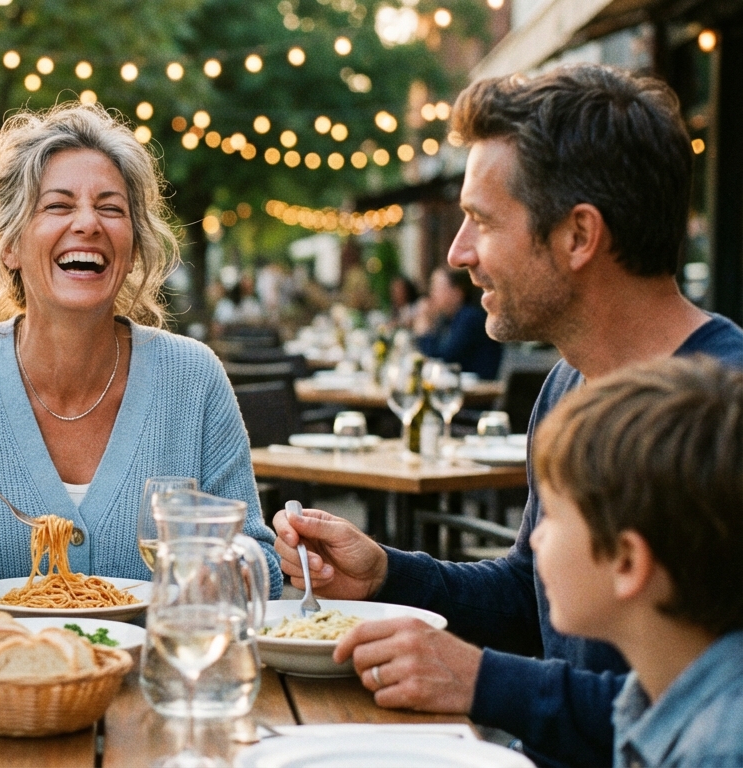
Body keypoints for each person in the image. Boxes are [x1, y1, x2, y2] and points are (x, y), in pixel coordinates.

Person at [273, 64, 743, 767]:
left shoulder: (723, 413)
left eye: (482, 222)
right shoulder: (567, 387)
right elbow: (534, 599)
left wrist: (480, 681)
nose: (459, 255)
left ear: (579, 235)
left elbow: (704, 713)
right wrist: (386, 577)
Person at [0, 102, 282, 596]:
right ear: (9, 245)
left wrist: (218, 569)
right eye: (58, 205)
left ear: (133, 247)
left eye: (111, 208)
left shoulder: (193, 378)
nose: (89, 223)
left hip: (147, 671)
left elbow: (260, 561)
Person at [527, 357, 743, 767]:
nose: (535, 537)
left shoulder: (719, 750)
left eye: (552, 516)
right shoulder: (649, 693)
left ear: (626, 561)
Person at [413, 266, 503, 379]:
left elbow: (444, 360)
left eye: (437, 288)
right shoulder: (447, 319)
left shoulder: (470, 318)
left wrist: (425, 333)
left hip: (480, 392)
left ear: (458, 292)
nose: (432, 294)